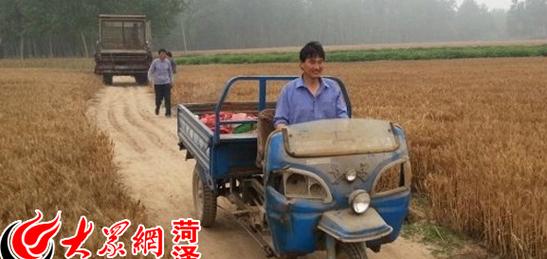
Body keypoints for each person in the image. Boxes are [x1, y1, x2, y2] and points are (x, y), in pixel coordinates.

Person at [273, 41, 348, 129]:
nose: (317, 67)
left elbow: (343, 118)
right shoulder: (288, 90)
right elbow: (280, 121)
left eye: (320, 62)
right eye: (312, 62)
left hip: (328, 141)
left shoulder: (334, 88)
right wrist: (287, 133)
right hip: (298, 141)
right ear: (301, 64)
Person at [148, 49, 173, 117]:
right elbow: (150, 71)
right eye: (162, 54)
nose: (163, 55)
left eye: (164, 54)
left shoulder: (168, 62)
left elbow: (170, 72)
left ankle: (168, 113)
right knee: (158, 98)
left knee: (167, 98)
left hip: (166, 82)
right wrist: (150, 80)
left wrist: (171, 81)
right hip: (158, 83)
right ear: (159, 55)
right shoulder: (155, 62)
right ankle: (157, 107)